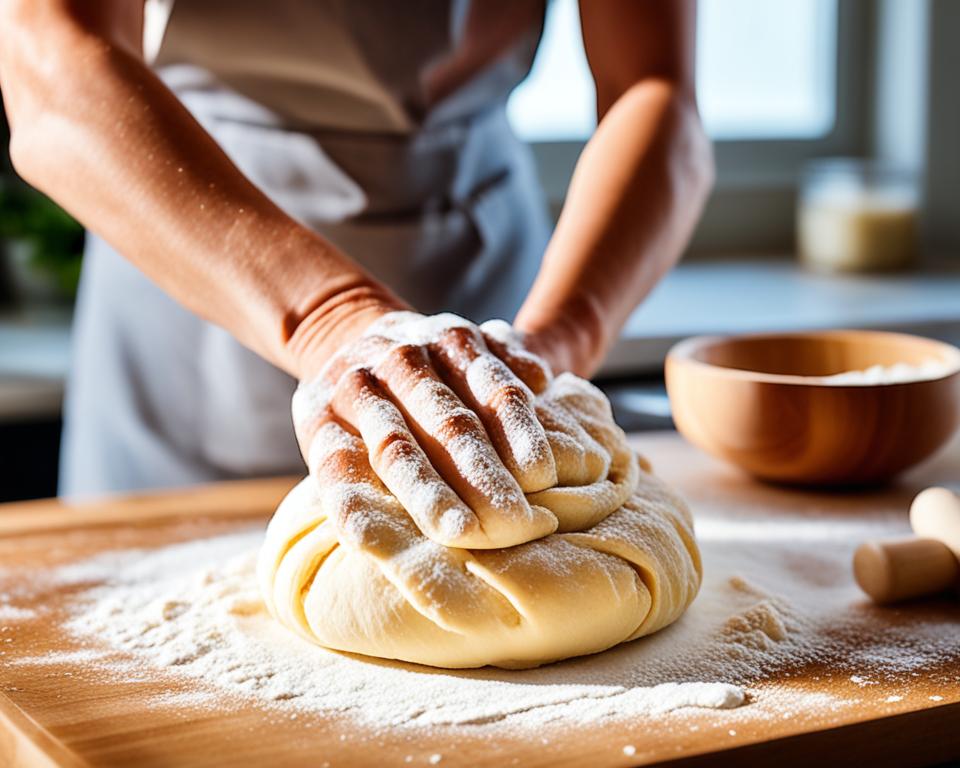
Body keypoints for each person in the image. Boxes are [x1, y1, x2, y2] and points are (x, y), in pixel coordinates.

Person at [0, 0, 712, 497]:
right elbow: (50, 65)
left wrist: (558, 342)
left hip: (498, 288)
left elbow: (656, 88)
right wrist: (333, 319)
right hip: (202, 254)